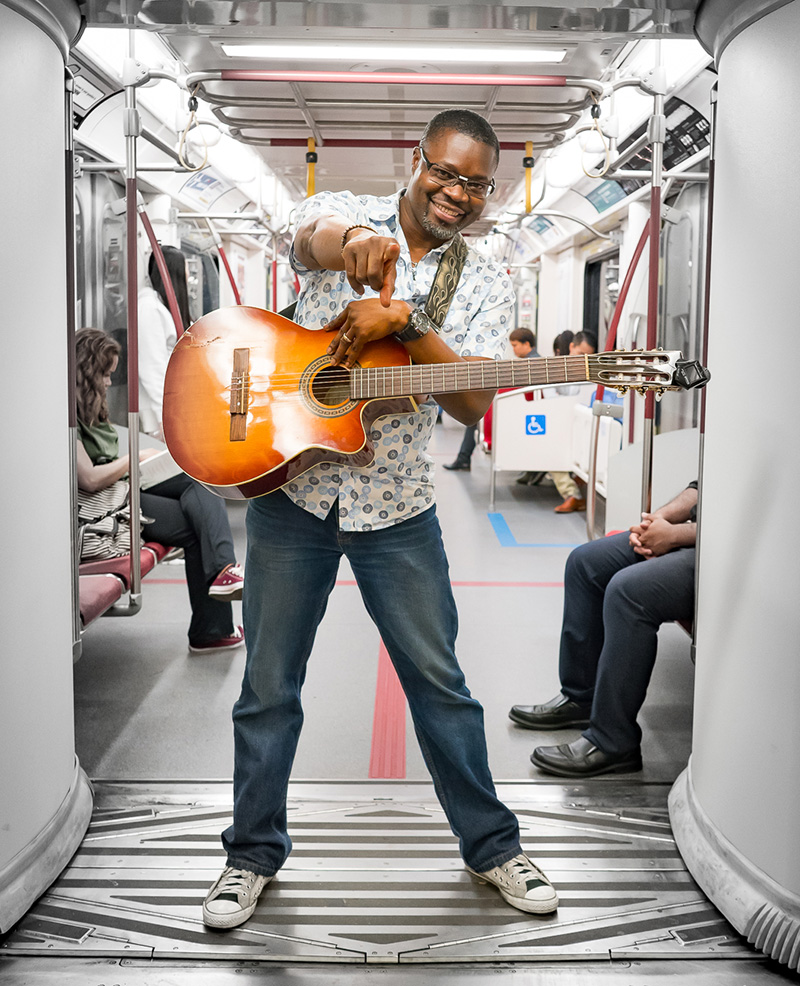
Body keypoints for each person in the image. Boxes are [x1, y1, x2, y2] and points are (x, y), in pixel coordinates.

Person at [201, 108, 558, 929]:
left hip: (397, 507)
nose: (457, 192)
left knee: (441, 686)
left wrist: (411, 321)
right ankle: (249, 856)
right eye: (445, 171)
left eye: (475, 182)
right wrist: (349, 248)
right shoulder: (351, 215)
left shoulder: (486, 277)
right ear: (417, 160)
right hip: (292, 496)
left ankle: (493, 847)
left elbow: (470, 402)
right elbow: (307, 238)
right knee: (267, 688)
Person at [509, 481, 698, 777]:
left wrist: (675, 535)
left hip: (726, 548)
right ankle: (581, 697)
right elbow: (700, 487)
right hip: (693, 533)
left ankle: (613, 741)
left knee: (629, 592)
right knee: (585, 563)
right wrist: (657, 522)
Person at [75, 327, 245, 651]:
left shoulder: (91, 413)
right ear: (86, 373)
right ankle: (214, 621)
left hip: (123, 490)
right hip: (104, 501)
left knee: (198, 479)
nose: (109, 383)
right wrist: (135, 458)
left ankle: (220, 590)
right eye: (105, 375)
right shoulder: (66, 418)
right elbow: (90, 479)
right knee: (197, 516)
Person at [444, 326, 538, 471]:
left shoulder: (531, 364)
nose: (513, 350)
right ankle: (463, 458)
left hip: (519, 412)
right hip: (518, 409)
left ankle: (463, 458)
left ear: (526, 344)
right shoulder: (532, 361)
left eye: (515, 345)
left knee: (474, 417)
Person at [138, 245, 190, 440]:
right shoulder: (149, 308)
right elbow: (153, 366)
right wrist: (165, 415)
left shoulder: (163, 308)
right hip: (157, 416)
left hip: (174, 404)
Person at [544, 330, 598, 511]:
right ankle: (572, 495)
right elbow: (551, 400)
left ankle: (576, 489)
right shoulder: (556, 368)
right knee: (552, 449)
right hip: (561, 423)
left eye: (589, 356)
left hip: (585, 424)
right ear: (571, 347)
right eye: (581, 354)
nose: (585, 359)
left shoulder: (594, 374)